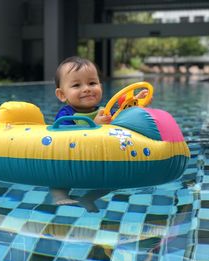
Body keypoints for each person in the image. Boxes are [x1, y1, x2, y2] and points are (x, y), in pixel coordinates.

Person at [52, 56, 151, 209]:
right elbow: (63, 136)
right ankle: (59, 195)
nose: (86, 88)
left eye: (92, 83)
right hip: (71, 160)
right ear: (62, 94)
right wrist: (94, 126)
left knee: (112, 182)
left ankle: (88, 198)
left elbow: (121, 118)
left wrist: (134, 104)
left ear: (100, 86)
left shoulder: (104, 111)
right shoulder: (66, 114)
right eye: (76, 85)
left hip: (95, 159)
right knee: (59, 177)